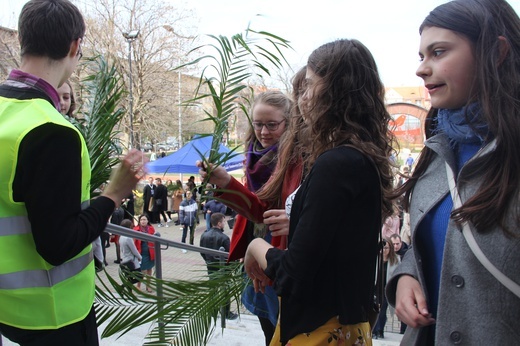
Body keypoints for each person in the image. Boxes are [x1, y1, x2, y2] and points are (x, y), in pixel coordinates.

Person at [0, 1, 146, 344]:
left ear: (23, 40)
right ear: (75, 46)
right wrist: (113, 194)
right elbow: (58, 245)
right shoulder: (53, 132)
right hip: (54, 318)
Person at [242, 39, 395, 345]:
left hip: (319, 330)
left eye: (310, 84)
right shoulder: (359, 157)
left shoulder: (337, 163)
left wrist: (256, 248)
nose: (302, 98)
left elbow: (294, 276)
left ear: (337, 91)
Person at [387, 1, 520, 345]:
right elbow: (432, 244)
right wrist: (405, 275)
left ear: (497, 52)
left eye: (439, 52)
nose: (422, 69)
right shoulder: (437, 148)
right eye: (421, 56)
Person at [199, 213, 238, 320]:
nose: (225, 223)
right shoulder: (224, 238)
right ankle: (225, 313)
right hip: (223, 268)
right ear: (219, 223)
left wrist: (208, 261)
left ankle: (213, 310)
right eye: (224, 221)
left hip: (210, 267)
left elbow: (202, 251)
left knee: (213, 289)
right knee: (225, 290)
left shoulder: (204, 235)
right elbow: (230, 255)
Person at [373, 238, 401, 340]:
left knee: (382, 311)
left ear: (390, 248)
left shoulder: (396, 260)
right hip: (376, 289)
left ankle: (380, 330)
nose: (383, 250)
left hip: (386, 289)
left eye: (386, 248)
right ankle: (374, 331)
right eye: (382, 247)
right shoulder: (375, 259)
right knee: (375, 310)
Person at [133, 214, 156, 292]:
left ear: (147, 221)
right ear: (139, 221)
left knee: (149, 269)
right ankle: (138, 285)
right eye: (141, 220)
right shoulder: (136, 230)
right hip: (140, 252)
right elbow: (133, 242)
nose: (143, 221)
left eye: (144, 219)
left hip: (150, 252)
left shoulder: (151, 229)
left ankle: (148, 285)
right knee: (141, 270)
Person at [118, 219, 142, 287]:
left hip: (125, 260)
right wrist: (140, 257)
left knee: (129, 277)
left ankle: (127, 291)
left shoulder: (121, 237)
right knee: (139, 277)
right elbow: (134, 250)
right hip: (131, 261)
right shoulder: (128, 238)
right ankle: (123, 285)